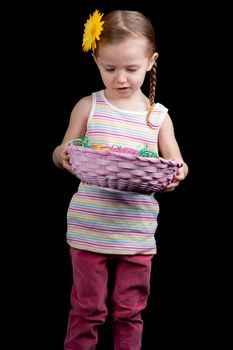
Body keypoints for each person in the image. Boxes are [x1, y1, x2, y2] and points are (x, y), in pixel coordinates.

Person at [52, 9, 189, 350]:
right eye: (109, 69)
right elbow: (62, 149)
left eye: (131, 68)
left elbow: (177, 163)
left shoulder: (157, 116)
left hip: (136, 232)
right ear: (96, 61)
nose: (121, 78)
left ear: (150, 61)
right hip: (89, 227)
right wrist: (62, 155)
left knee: (130, 311)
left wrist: (177, 174)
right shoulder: (89, 106)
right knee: (87, 308)